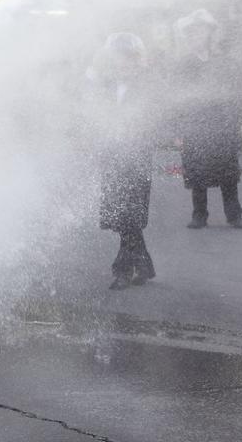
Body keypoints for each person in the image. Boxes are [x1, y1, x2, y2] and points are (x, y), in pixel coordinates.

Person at [88, 33, 158, 290]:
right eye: (117, 58)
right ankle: (144, 266)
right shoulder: (107, 85)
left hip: (136, 159)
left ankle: (123, 271)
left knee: (128, 216)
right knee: (121, 219)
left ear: (136, 60)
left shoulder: (148, 85)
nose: (121, 63)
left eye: (127, 58)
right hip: (112, 157)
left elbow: (154, 118)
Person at [172, 9, 242, 230]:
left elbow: (236, 91)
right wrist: (177, 130)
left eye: (201, 31)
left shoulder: (225, 62)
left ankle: (234, 215)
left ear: (210, 33)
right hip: (194, 126)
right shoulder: (182, 65)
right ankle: (199, 215)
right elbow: (175, 100)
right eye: (192, 32)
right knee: (197, 172)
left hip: (223, 124)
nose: (197, 35)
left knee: (228, 172)